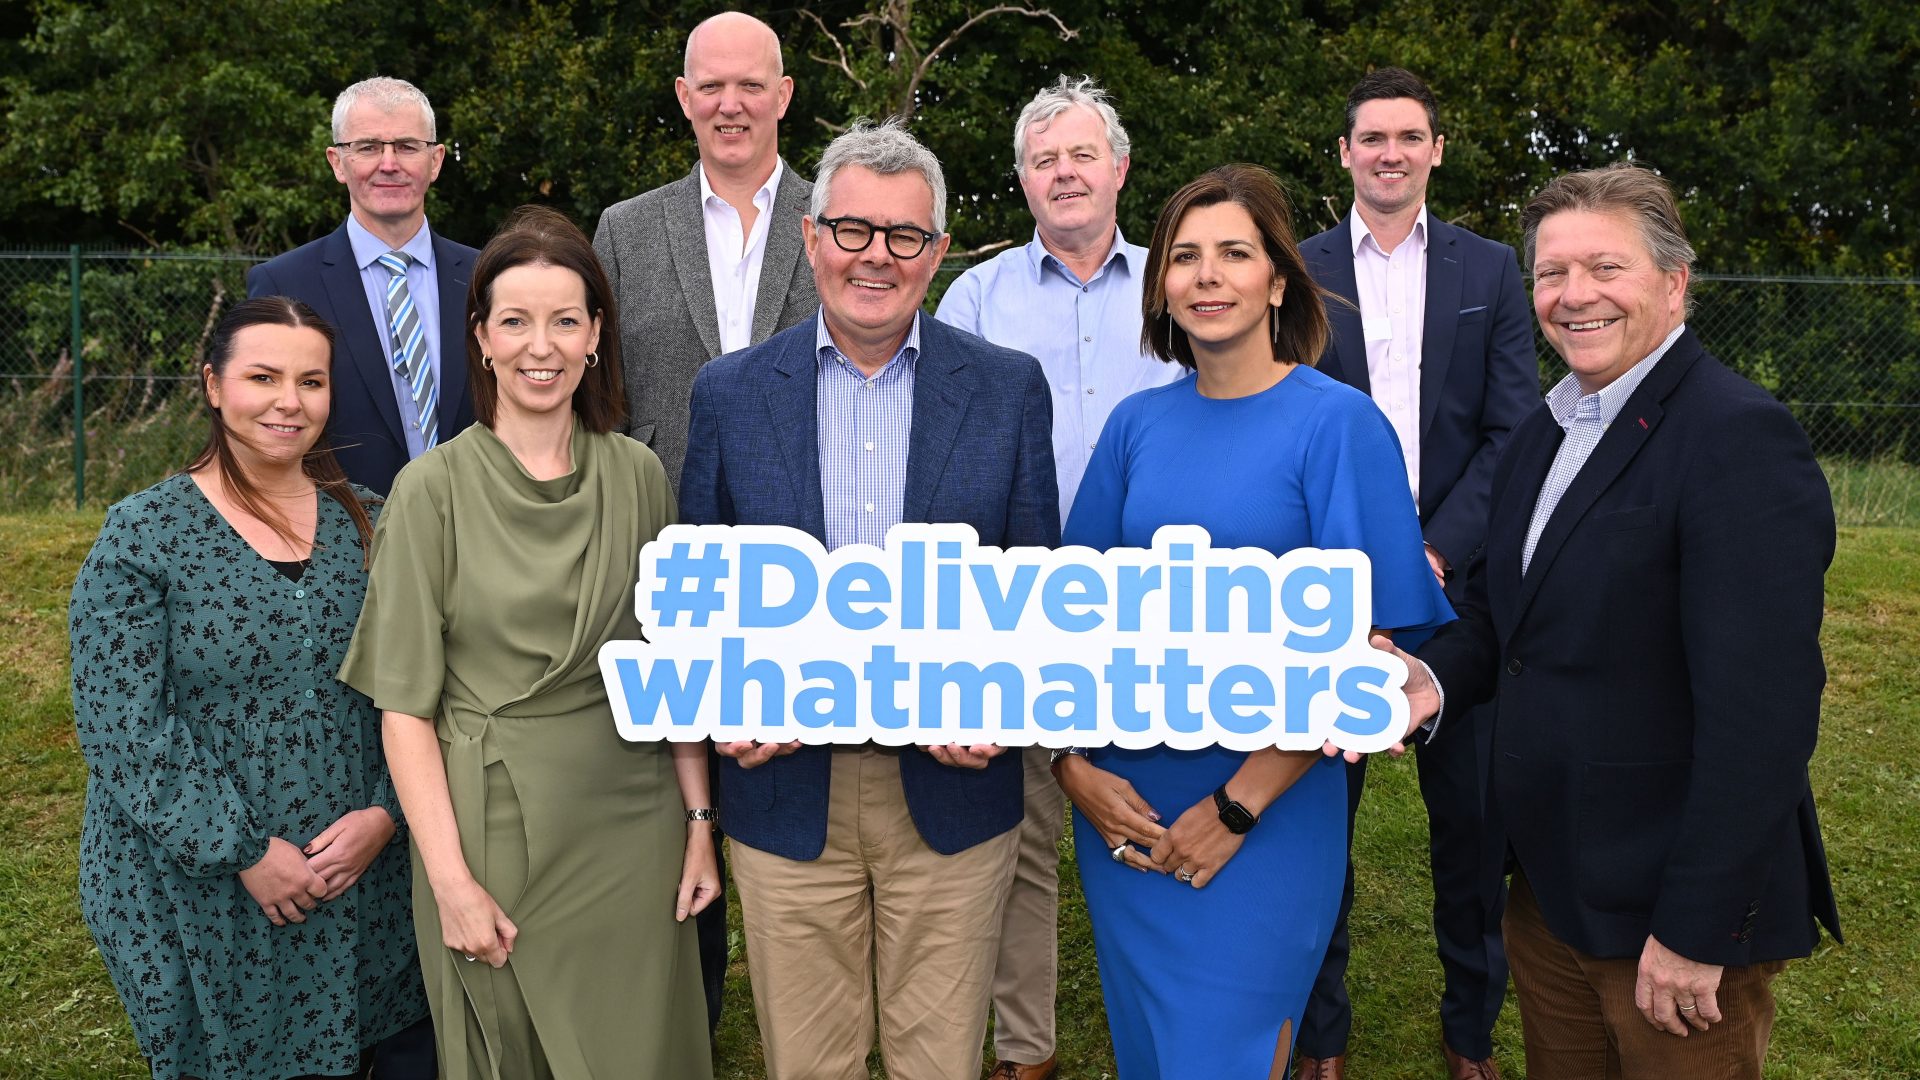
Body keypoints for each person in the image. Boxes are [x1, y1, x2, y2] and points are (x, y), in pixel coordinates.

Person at [1381, 162, 1841, 1079]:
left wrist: (1696, 927)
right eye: (1552, 274)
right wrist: (1420, 684)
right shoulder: (1548, 427)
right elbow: (1494, 614)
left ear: (1674, 283)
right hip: (1549, 894)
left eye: (1605, 269)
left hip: (1668, 919)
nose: (1572, 295)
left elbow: (1764, 718)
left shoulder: (1736, 438)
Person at [679, 118, 1059, 1080]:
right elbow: (700, 595)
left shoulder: (1009, 390)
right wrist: (727, 702)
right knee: (811, 1064)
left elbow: (1036, 584)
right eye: (853, 230)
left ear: (936, 252)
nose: (875, 257)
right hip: (784, 790)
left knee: (941, 1063)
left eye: (904, 236)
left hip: (953, 789)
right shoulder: (727, 393)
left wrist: (1002, 708)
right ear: (811, 238)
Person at [1054, 164, 1451, 1079]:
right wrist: (1069, 767)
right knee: (1151, 1057)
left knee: (1223, 1056)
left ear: (1278, 278)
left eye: (1234, 253)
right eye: (1184, 256)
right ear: (1160, 286)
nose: (1206, 275)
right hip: (1124, 813)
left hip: (1261, 821)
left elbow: (1368, 656)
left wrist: (1235, 809)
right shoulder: (1133, 428)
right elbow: (1066, 624)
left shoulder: (1339, 426)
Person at [339, 206, 716, 1078]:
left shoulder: (640, 476)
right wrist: (449, 883)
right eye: (515, 320)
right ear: (480, 338)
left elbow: (675, 667)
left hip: (637, 828)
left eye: (564, 320)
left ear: (595, 338)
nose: (539, 345)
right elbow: (403, 711)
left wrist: (700, 824)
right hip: (491, 831)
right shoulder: (428, 491)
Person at [70, 296, 425, 1079]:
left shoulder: (374, 523)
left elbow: (423, 686)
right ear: (212, 384)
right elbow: (122, 726)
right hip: (199, 887)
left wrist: (384, 815)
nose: (288, 401)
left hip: (358, 876)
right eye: (262, 377)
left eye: (311, 381)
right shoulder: (145, 534)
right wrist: (241, 850)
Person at [1295, 67, 1538, 1080]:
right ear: (1346, 153)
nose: (1390, 152)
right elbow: (1288, 424)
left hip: (1462, 592)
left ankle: (1471, 1028)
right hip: (1328, 603)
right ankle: (1319, 1037)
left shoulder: (1490, 273)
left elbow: (1513, 429)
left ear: (1436, 150)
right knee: (1313, 833)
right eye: (1371, 137)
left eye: (1410, 136)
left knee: (1474, 832)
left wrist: (1430, 555)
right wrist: (1360, 571)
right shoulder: (1295, 269)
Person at [934, 74, 1177, 1080]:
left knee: (1156, 817)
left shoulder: (1179, 284)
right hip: (1020, 603)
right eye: (1044, 160)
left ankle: (1171, 1038)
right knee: (1027, 836)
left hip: (1160, 606)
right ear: (1023, 181)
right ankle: (1026, 1053)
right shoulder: (976, 296)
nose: (1065, 173)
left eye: (1083, 154)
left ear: (1119, 168)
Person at [593, 10, 818, 489]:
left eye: (751, 87)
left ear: (782, 97)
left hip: (811, 519)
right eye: (712, 86)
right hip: (659, 511)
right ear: (684, 96)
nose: (730, 105)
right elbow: (598, 393)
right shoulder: (624, 230)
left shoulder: (838, 226)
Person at [249, 76, 478, 496]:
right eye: (368, 147)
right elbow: (258, 427)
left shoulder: (488, 278)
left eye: (408, 146)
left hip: (475, 533)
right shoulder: (283, 283)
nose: (388, 163)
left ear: (436, 161)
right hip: (339, 539)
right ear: (338, 162)